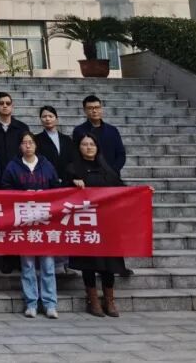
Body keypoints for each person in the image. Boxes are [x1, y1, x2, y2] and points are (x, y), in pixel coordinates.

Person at [1, 131, 60, 319]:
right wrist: (21, 194)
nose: (28, 145)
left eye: (31, 142)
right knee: (27, 265)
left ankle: (50, 303)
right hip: (24, 221)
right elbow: (5, 188)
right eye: (24, 142)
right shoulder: (13, 166)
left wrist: (45, 194)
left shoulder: (46, 165)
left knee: (47, 264)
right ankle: (31, 303)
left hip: (45, 221)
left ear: (36, 145)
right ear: (20, 146)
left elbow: (57, 189)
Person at [67, 135, 128, 318]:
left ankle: (109, 300)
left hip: (108, 223)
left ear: (97, 147)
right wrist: (73, 182)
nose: (88, 147)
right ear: (79, 148)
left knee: (109, 263)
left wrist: (143, 192)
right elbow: (62, 192)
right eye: (84, 144)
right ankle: (92, 300)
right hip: (87, 223)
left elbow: (122, 189)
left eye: (92, 144)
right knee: (89, 262)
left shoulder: (107, 168)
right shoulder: (73, 168)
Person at [73, 95, 126, 174]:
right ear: (84, 110)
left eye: (97, 107)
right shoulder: (79, 130)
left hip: (111, 175)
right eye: (90, 108)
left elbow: (121, 154)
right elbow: (76, 155)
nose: (94, 111)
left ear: (101, 109)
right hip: (88, 175)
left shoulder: (112, 130)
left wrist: (113, 171)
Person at [0, 91, 30, 172]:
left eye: (8, 103)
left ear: (12, 106)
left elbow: (27, 150)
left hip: (18, 172)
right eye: (1, 103)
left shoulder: (22, 127)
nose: (5, 106)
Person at [35, 105, 77, 182]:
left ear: (56, 119)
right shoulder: (36, 140)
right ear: (40, 120)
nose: (47, 119)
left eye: (50, 116)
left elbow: (72, 160)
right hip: (45, 180)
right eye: (44, 116)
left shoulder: (66, 139)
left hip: (66, 180)